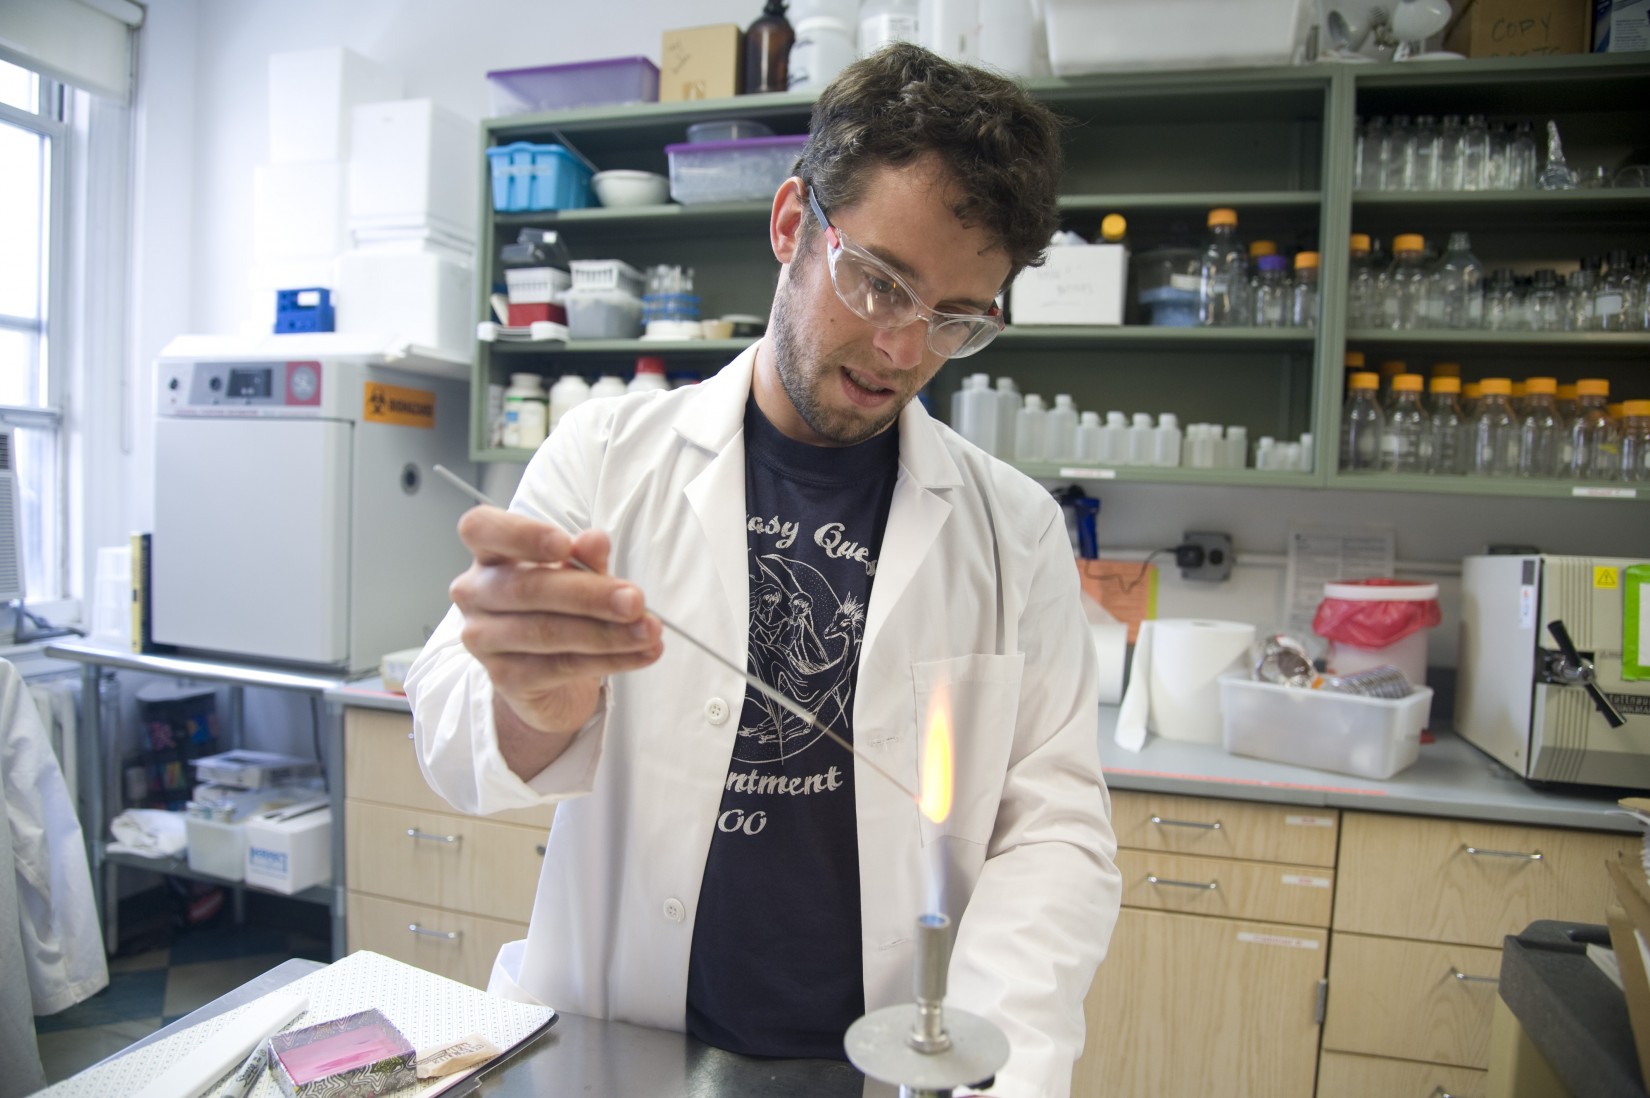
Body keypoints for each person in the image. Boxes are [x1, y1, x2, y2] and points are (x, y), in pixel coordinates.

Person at [408, 43, 1120, 1098]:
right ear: (792, 223)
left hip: (880, 1068)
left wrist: (993, 1069)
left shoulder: (1013, 531)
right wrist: (534, 710)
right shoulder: (605, 458)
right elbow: (446, 734)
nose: (903, 349)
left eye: (955, 318)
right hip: (623, 1049)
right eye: (880, 282)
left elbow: (1054, 833)